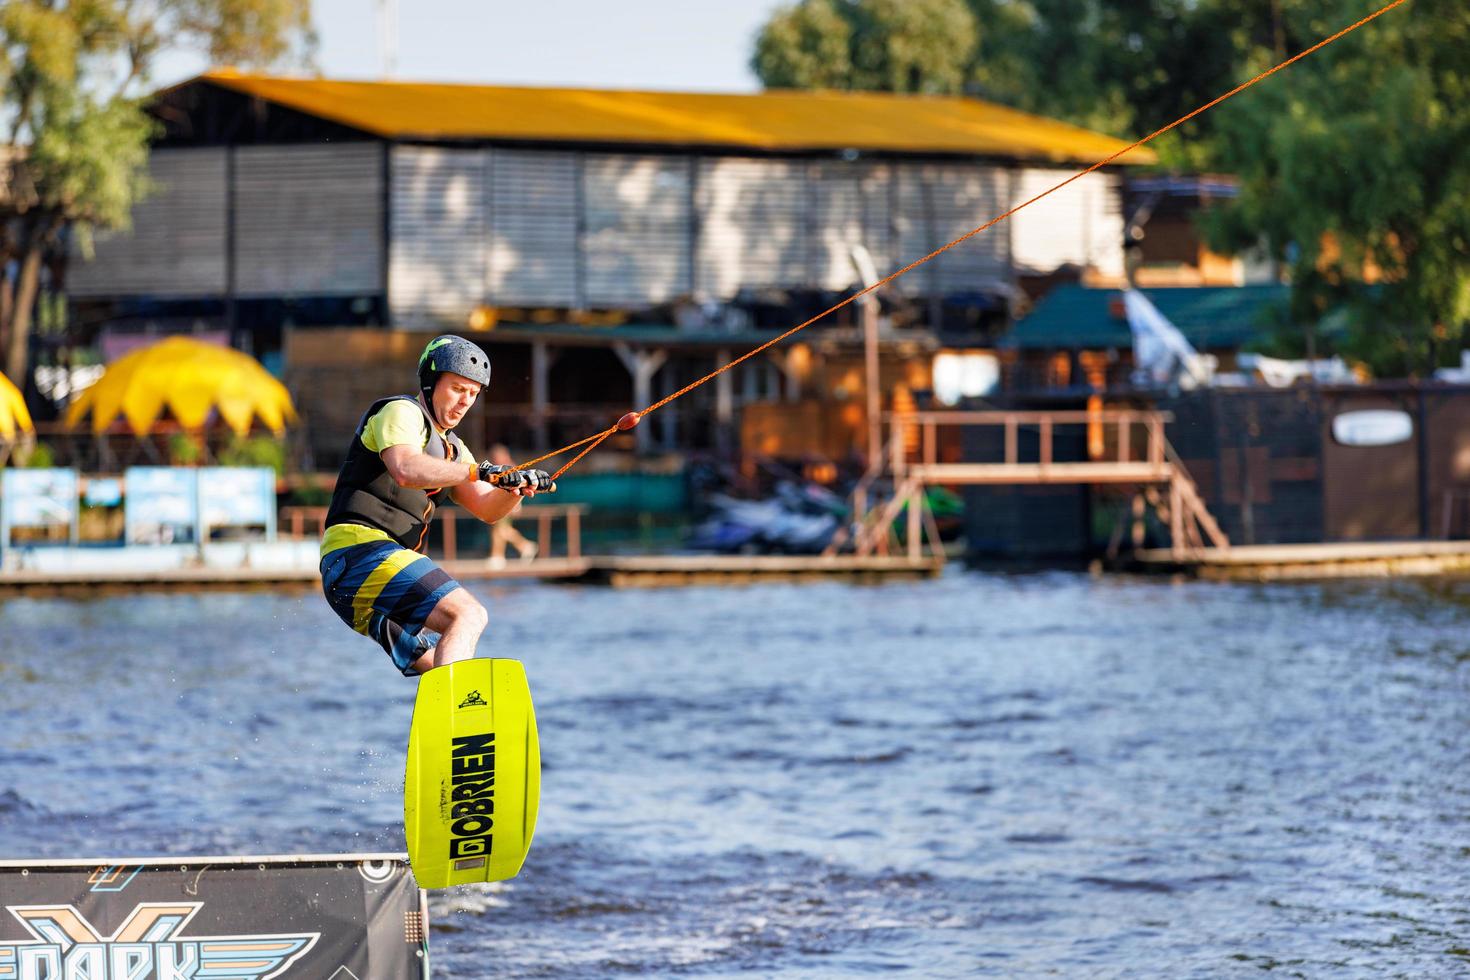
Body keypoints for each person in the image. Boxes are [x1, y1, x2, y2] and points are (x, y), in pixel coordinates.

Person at [318, 335, 553, 676]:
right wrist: (481, 471)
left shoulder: (455, 451)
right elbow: (405, 468)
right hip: (359, 556)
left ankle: (451, 717)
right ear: (430, 382)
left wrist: (514, 487)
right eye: (458, 389)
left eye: (472, 394)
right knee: (469, 614)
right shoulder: (401, 412)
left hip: (361, 585)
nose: (464, 402)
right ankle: (456, 714)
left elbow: (487, 509)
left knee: (436, 668)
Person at [487, 443, 537, 568]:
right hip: (499, 503)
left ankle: (521, 547)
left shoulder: (512, 468)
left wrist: (516, 506)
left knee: (500, 530)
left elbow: (518, 491)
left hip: (509, 505)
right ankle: (500, 556)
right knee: (499, 529)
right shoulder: (498, 468)